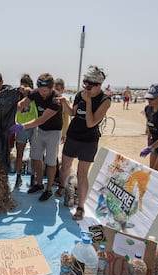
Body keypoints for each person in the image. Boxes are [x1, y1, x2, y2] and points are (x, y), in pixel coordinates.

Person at [57, 66, 111, 220]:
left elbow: (91, 122)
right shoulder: (80, 95)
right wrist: (64, 103)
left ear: (99, 85)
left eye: (90, 87)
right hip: (73, 136)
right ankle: (64, 186)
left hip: (88, 140)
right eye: (85, 85)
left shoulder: (105, 100)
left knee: (82, 173)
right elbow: (73, 113)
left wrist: (88, 102)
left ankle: (80, 207)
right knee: (65, 166)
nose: (87, 89)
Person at [9, 73, 62, 201]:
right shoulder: (36, 93)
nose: (42, 94)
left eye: (45, 91)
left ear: (51, 88)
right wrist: (7, 111)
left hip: (53, 131)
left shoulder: (56, 99)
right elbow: (22, 104)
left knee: (50, 161)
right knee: (35, 157)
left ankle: (48, 189)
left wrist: (22, 127)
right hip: (40, 130)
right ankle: (39, 184)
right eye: (40, 90)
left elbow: (41, 119)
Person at [13, 74, 36, 189]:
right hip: (20, 127)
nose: (23, 88)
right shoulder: (17, 97)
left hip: (33, 127)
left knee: (34, 154)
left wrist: (29, 92)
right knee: (19, 154)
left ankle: (33, 177)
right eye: (22, 85)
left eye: (26, 85)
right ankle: (18, 177)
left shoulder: (34, 96)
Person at [53, 78, 71, 196]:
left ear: (63, 90)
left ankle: (57, 178)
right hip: (50, 130)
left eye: (59, 89)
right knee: (51, 155)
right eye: (55, 89)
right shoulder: (52, 100)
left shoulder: (65, 101)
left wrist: (64, 134)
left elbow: (66, 119)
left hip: (59, 131)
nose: (57, 91)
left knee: (55, 155)